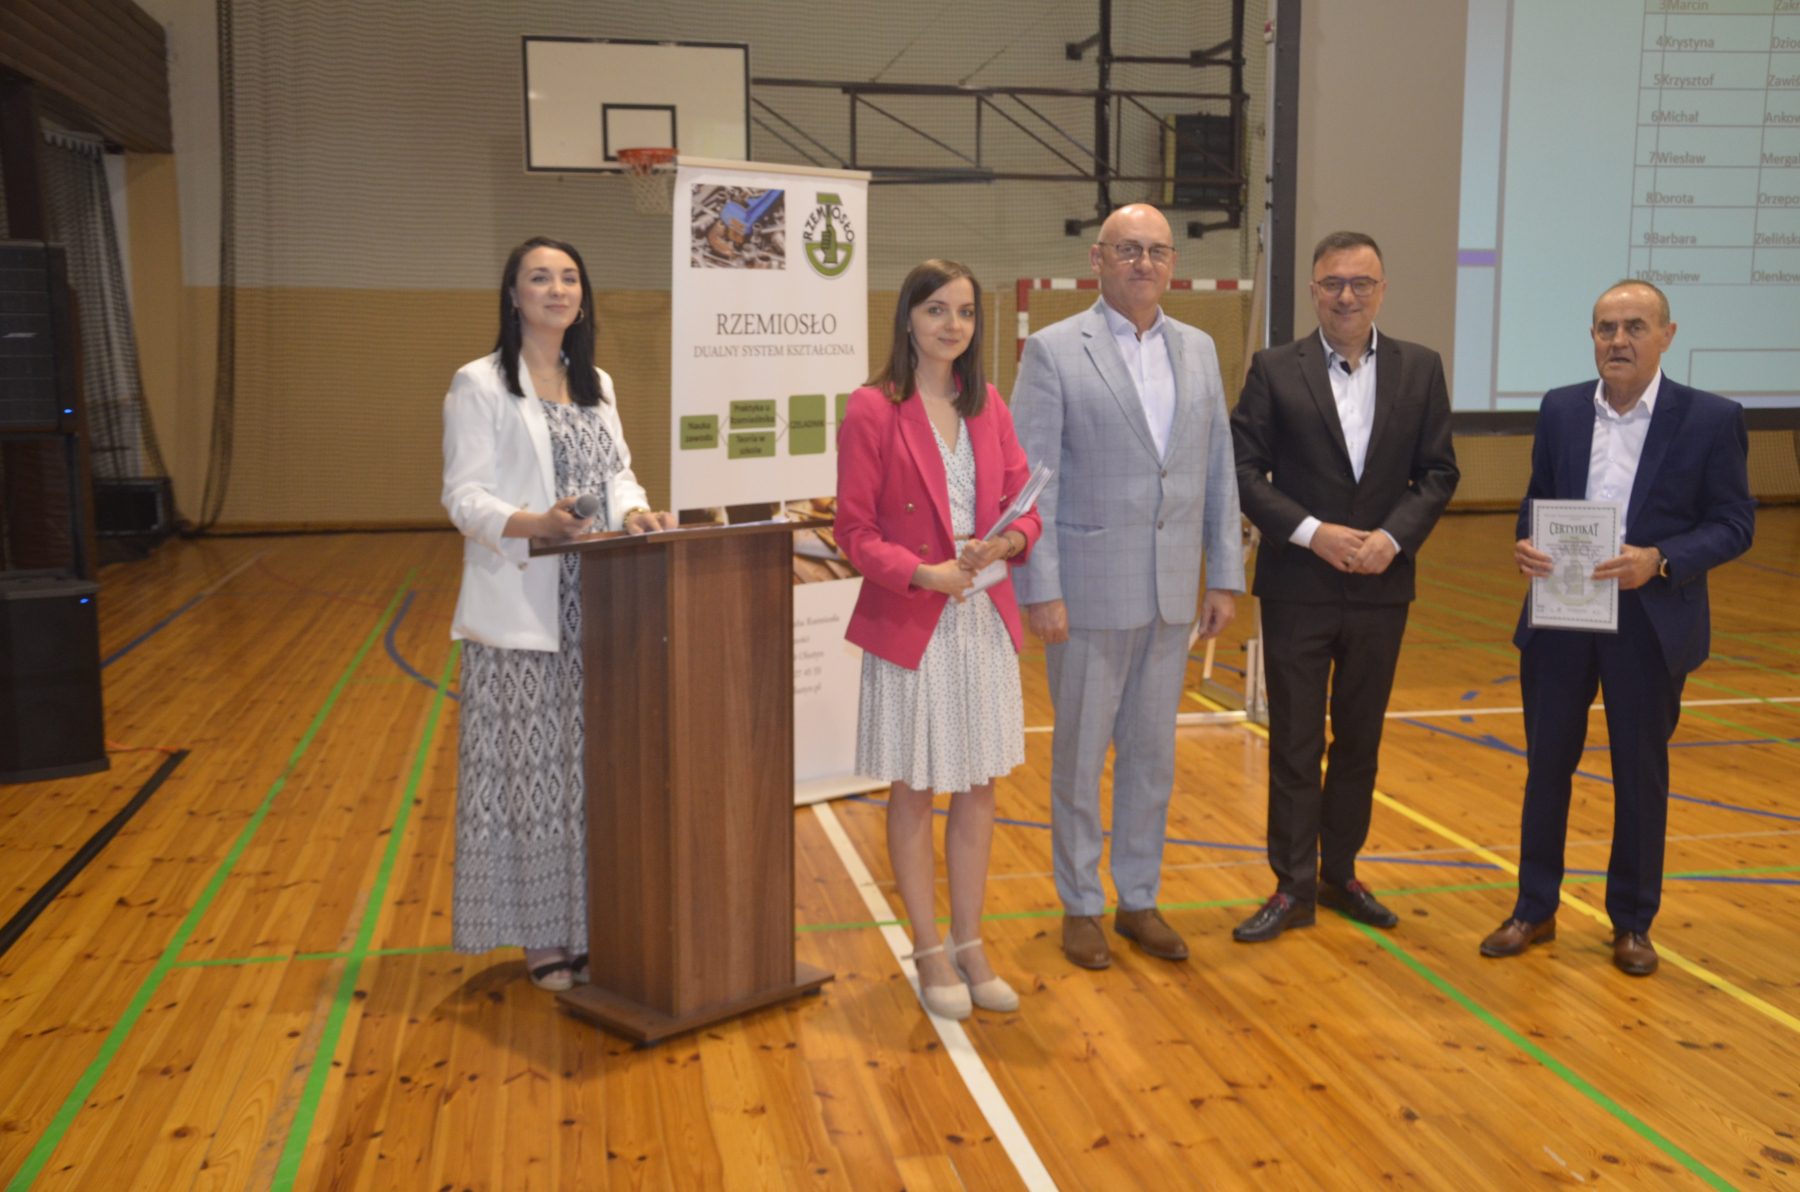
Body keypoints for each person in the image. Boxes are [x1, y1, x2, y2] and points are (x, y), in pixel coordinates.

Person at [1481, 279, 1753, 976]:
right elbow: (1538, 499)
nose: (1619, 340)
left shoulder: (1711, 419)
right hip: (1561, 617)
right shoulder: (1561, 408)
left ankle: (1632, 922)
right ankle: (1533, 908)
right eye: (1606, 328)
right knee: (1547, 768)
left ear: (1667, 335)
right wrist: (1526, 542)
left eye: (1635, 326)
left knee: (1639, 775)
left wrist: (1659, 560)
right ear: (1593, 338)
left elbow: (1734, 523)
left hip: (1649, 623)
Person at [1011, 204, 1245, 970]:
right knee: (1080, 760)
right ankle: (1081, 903)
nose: (1144, 263)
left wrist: (1224, 574)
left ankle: (1138, 898)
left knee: (1152, 759)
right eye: (1129, 250)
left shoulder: (1200, 349)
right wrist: (1040, 587)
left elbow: (1217, 468)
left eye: (1157, 251)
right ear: (1098, 259)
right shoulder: (1053, 352)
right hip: (1086, 593)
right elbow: (1032, 484)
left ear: (1173, 263)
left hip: (1173, 593)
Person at [441, 236, 676, 992]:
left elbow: (619, 474)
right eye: (539, 277)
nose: (556, 289)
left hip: (601, 603)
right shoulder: (479, 383)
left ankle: (588, 919)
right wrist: (534, 523)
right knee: (530, 777)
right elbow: (463, 496)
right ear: (513, 296)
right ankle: (543, 934)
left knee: (589, 772)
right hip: (524, 600)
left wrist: (635, 514)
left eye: (569, 277)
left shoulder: (595, 381)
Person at [1229, 231, 1460, 943]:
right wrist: (1312, 533)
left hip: (1381, 588)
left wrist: (1392, 538)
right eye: (1333, 283)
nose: (1347, 295)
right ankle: (1292, 885)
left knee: (1359, 740)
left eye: (1361, 282)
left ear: (1382, 290)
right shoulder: (1275, 369)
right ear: (1313, 291)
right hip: (1298, 585)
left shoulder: (1421, 369)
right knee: (1295, 743)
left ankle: (1341, 873)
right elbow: (1242, 471)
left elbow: (1438, 473)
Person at [836, 259, 1042, 1020]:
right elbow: (853, 531)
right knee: (916, 788)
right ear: (908, 318)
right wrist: (926, 574)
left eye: (964, 312)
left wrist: (1007, 543)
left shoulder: (989, 405)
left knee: (979, 787)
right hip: (914, 621)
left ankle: (970, 942)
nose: (952, 325)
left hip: (982, 620)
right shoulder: (872, 408)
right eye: (936, 310)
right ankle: (928, 947)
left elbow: (1027, 508)